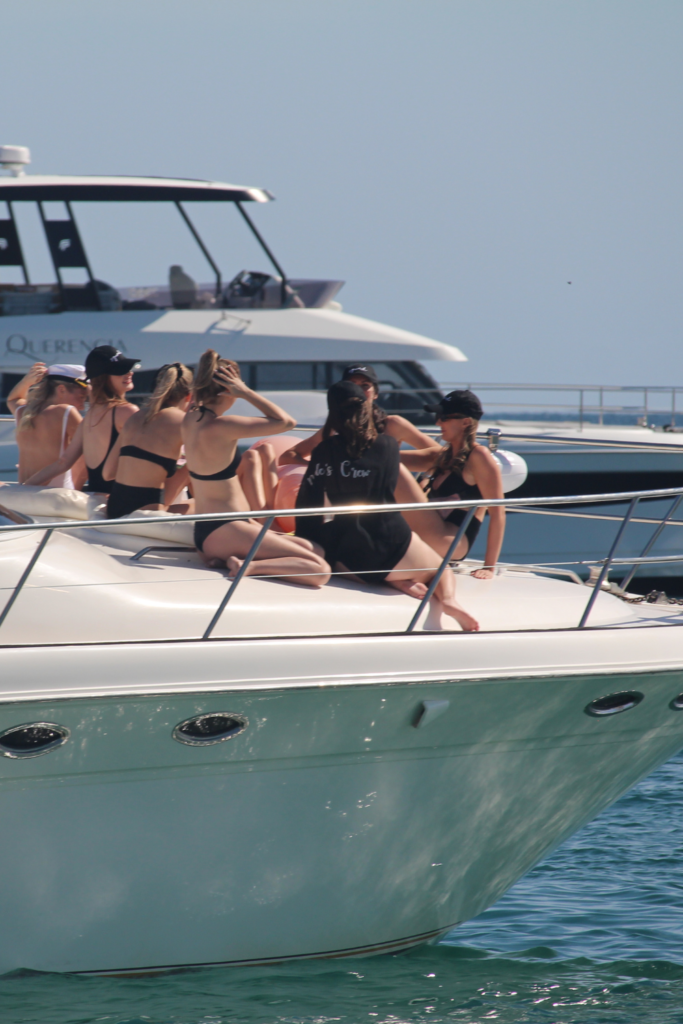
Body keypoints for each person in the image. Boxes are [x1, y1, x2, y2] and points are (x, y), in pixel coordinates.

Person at [295, 381, 479, 631]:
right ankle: (447, 600)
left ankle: (394, 581)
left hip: (349, 550)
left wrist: (312, 543)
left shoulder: (324, 451)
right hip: (390, 541)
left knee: (338, 564)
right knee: (440, 567)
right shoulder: (388, 446)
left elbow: (308, 504)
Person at [181, 349, 330, 587]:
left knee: (315, 549)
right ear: (229, 391)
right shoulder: (222, 426)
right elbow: (286, 422)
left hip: (212, 531)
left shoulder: (190, 419)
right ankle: (249, 566)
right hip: (225, 529)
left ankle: (228, 559)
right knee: (320, 570)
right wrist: (246, 392)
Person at [398, 390, 505, 580]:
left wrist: (489, 567)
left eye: (444, 417)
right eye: (438, 416)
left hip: (452, 541)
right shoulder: (442, 456)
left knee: (396, 472)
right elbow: (389, 458)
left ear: (465, 422)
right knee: (389, 452)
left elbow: (498, 513)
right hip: (433, 532)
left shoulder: (479, 457)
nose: (438, 422)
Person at [279, 363, 440, 469]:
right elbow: (288, 456)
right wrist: (323, 470)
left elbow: (441, 455)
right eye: (352, 386)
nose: (358, 392)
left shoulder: (392, 424)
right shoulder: (335, 427)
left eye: (365, 386)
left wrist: (389, 461)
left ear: (376, 393)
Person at [24, 345, 139, 493]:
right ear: (103, 379)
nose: (129, 373)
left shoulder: (90, 416)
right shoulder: (127, 412)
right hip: (124, 503)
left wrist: (22, 489)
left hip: (97, 501)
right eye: (120, 370)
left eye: (128, 368)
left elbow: (63, 463)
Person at [104, 363, 193, 518]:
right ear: (189, 395)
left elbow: (108, 473)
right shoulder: (184, 423)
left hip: (114, 509)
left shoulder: (135, 417)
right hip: (145, 512)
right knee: (211, 502)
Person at [8, 363, 88, 487]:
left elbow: (12, 399)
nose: (83, 405)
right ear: (61, 389)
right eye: (82, 397)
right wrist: (75, 490)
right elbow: (91, 453)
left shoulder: (23, 411)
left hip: (24, 495)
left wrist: (26, 381)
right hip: (54, 499)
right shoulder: (65, 412)